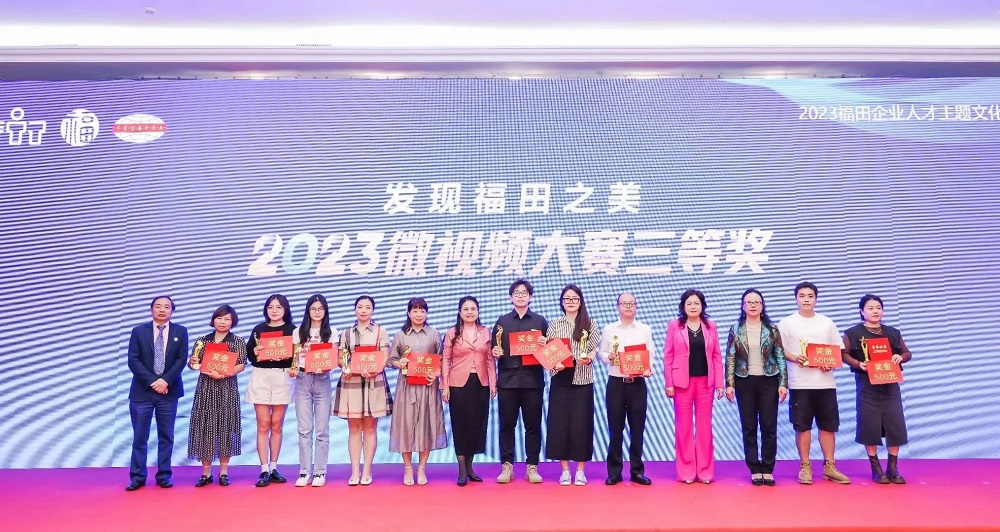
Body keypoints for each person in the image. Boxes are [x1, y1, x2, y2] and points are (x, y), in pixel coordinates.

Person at [777, 282, 850, 485]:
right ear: (796, 299)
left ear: (816, 299)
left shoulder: (826, 322)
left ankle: (830, 466)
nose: (806, 299)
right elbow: (779, 349)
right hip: (800, 383)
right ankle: (805, 466)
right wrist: (795, 357)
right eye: (802, 296)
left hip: (825, 383)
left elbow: (838, 349)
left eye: (810, 296)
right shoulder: (787, 323)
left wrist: (831, 363)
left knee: (828, 426)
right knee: (803, 426)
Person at [841, 294, 912, 485]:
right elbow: (843, 354)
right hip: (867, 387)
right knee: (869, 426)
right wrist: (858, 364)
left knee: (895, 426)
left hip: (890, 387)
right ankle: (876, 468)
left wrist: (900, 357)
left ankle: (893, 467)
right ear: (862, 311)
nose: (875, 311)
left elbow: (907, 353)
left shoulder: (893, 332)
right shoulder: (853, 333)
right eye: (870, 308)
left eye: (878, 307)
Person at [724, 289, 788, 486]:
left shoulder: (772, 329)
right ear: (743, 306)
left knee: (769, 425)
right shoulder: (736, 329)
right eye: (749, 302)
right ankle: (754, 468)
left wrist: (783, 383)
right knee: (749, 426)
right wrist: (729, 384)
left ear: (762, 306)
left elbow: (780, 356)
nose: (753, 305)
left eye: (756, 302)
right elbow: (731, 357)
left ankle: (768, 468)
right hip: (744, 381)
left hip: (769, 380)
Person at [126, 296, 189, 491]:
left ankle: (164, 475)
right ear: (151, 310)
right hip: (142, 392)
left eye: (167, 307)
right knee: (140, 437)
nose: (162, 310)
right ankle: (137, 477)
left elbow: (181, 359)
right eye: (158, 306)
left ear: (172, 311)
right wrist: (153, 381)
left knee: (166, 436)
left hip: (169, 391)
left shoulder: (181, 331)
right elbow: (133, 360)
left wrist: (165, 380)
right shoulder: (138, 331)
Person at [664, 289, 725, 484]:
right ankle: (686, 472)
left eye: (696, 303)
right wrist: (669, 383)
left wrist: (720, 383)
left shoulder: (710, 326)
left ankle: (705, 471)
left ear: (702, 306)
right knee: (684, 428)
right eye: (689, 303)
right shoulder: (675, 325)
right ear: (683, 306)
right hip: (682, 383)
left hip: (705, 383)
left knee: (704, 428)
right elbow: (668, 355)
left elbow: (716, 356)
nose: (693, 306)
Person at [491, 279, 548, 484]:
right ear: (510, 297)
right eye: (517, 293)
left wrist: (545, 344)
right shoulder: (502, 322)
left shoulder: (540, 322)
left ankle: (532, 466)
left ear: (530, 297)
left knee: (533, 426)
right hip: (508, 381)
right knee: (507, 426)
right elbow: (494, 348)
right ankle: (507, 466)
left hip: (533, 381)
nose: (521, 296)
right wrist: (495, 351)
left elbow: (549, 353)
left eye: (524, 293)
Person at [544, 285, 600, 486]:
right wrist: (554, 362)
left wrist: (589, 358)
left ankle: (581, 471)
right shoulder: (554, 324)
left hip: (583, 378)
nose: (570, 302)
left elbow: (593, 349)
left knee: (581, 425)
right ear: (561, 302)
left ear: (580, 301)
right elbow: (549, 351)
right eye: (567, 299)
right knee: (560, 425)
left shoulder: (590, 323)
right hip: (561, 378)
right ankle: (565, 470)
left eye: (574, 299)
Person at [388, 298, 447, 486]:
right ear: (408, 313)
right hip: (407, 387)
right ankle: (407, 469)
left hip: (428, 386)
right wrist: (399, 363)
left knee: (426, 425)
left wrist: (436, 374)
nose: (419, 314)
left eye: (422, 311)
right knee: (405, 426)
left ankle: (421, 468)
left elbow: (442, 359)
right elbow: (391, 360)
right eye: (415, 311)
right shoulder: (400, 335)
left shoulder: (434, 334)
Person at [333, 295, 392, 486]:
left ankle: (367, 470)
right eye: (360, 307)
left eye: (367, 307)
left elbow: (385, 356)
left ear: (373, 310)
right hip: (352, 382)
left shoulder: (380, 331)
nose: (364, 310)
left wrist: (375, 369)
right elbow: (340, 358)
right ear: (355, 309)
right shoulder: (346, 333)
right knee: (354, 428)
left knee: (370, 427)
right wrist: (347, 367)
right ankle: (354, 471)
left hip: (374, 382)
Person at [187, 305, 247, 488]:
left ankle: (223, 472)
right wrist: (192, 363)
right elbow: (194, 364)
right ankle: (206, 473)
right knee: (205, 428)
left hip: (227, 389)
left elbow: (241, 365)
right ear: (213, 320)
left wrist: (223, 375)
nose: (222, 322)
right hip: (206, 389)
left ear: (233, 322)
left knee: (225, 429)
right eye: (219, 318)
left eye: (227, 319)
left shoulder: (237, 341)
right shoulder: (202, 341)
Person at [599, 292, 655, 486]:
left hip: (637, 384)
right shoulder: (609, 329)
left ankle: (637, 471)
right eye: (624, 303)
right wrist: (608, 357)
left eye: (631, 303)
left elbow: (650, 354)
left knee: (637, 428)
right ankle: (614, 472)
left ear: (636, 306)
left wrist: (648, 368)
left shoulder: (645, 329)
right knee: (615, 428)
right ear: (618, 307)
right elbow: (602, 352)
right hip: (616, 383)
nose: (628, 306)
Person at [245, 294, 299, 487]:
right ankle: (264, 469)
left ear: (285, 309)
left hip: (282, 377)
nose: (274, 311)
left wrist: (290, 360)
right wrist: (255, 353)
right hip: (261, 376)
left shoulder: (293, 330)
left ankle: (274, 467)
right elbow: (250, 354)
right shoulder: (259, 329)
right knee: (263, 425)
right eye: (270, 307)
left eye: (278, 307)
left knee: (277, 424)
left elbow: (298, 355)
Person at [442, 296, 496, 486]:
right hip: (458, 384)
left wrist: (493, 383)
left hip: (480, 383)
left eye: (473, 309)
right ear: (460, 312)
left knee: (476, 425)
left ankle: (471, 467)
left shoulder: (485, 332)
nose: (470, 312)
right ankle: (462, 470)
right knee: (460, 425)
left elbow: (490, 359)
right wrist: (445, 386)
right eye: (466, 309)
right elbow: (445, 360)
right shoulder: (452, 332)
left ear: (478, 311)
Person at [292, 294, 337, 487]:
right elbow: (294, 358)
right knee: (304, 429)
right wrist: (293, 368)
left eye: (320, 309)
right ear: (308, 311)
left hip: (323, 380)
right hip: (303, 379)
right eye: (313, 309)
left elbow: (334, 357)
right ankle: (304, 472)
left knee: (322, 430)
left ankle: (319, 472)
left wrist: (326, 366)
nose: (317, 312)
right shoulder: (298, 332)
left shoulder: (331, 332)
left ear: (325, 311)